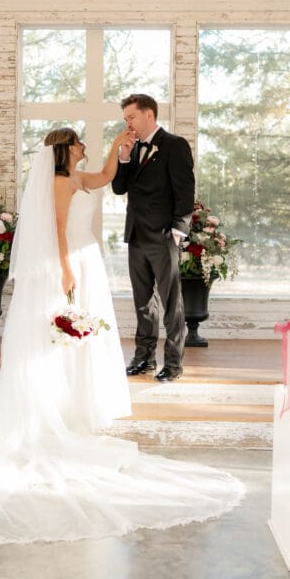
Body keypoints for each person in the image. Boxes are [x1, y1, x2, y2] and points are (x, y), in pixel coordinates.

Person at [0, 127, 243, 545]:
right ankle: (50, 405)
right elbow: (55, 228)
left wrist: (116, 148)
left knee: (78, 338)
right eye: (80, 143)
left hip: (86, 258)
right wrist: (66, 268)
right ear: (67, 148)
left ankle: (71, 402)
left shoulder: (79, 175)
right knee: (59, 334)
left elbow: (108, 176)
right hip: (67, 260)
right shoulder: (58, 181)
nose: (84, 146)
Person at [112, 94, 194, 382]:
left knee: (172, 303)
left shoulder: (175, 145)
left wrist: (178, 229)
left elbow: (185, 191)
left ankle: (173, 364)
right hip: (136, 235)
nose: (128, 123)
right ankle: (144, 358)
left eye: (131, 117)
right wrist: (123, 157)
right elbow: (119, 189)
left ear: (149, 115)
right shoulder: (131, 149)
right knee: (143, 302)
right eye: (125, 119)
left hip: (163, 236)